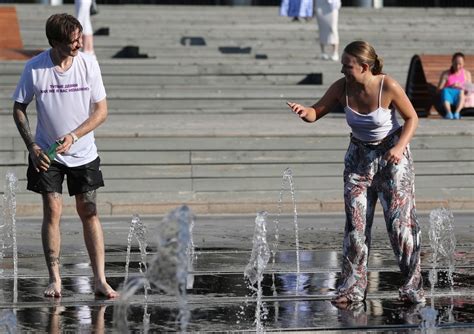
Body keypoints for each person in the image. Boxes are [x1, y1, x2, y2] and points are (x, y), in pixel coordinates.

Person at [286, 40, 424, 305]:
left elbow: (412, 118)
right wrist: (305, 112)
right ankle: (352, 289)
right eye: (342, 65)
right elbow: (316, 112)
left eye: (347, 66)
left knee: (400, 227)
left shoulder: (387, 86)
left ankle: (411, 288)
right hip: (358, 159)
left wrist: (399, 147)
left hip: (391, 158)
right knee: (356, 228)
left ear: (364, 66)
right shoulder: (342, 87)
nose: (343, 71)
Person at [12, 13, 118, 299]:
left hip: (83, 152)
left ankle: (100, 280)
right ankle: (55, 279)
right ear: (54, 42)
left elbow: (101, 111)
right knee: (53, 211)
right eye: (72, 41)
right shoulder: (35, 68)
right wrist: (32, 146)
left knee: (90, 211)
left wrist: (74, 135)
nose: (78, 45)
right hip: (47, 154)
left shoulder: (88, 65)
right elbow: (19, 107)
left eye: (80, 39)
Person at [437, 52, 472, 120]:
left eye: (460, 64)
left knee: (461, 91)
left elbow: (470, 89)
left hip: (461, 97)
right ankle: (449, 113)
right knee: (445, 90)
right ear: (452, 62)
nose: (457, 66)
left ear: (463, 63)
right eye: (455, 64)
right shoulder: (446, 74)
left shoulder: (467, 74)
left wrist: (461, 86)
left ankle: (457, 113)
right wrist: (451, 86)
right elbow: (438, 90)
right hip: (448, 97)